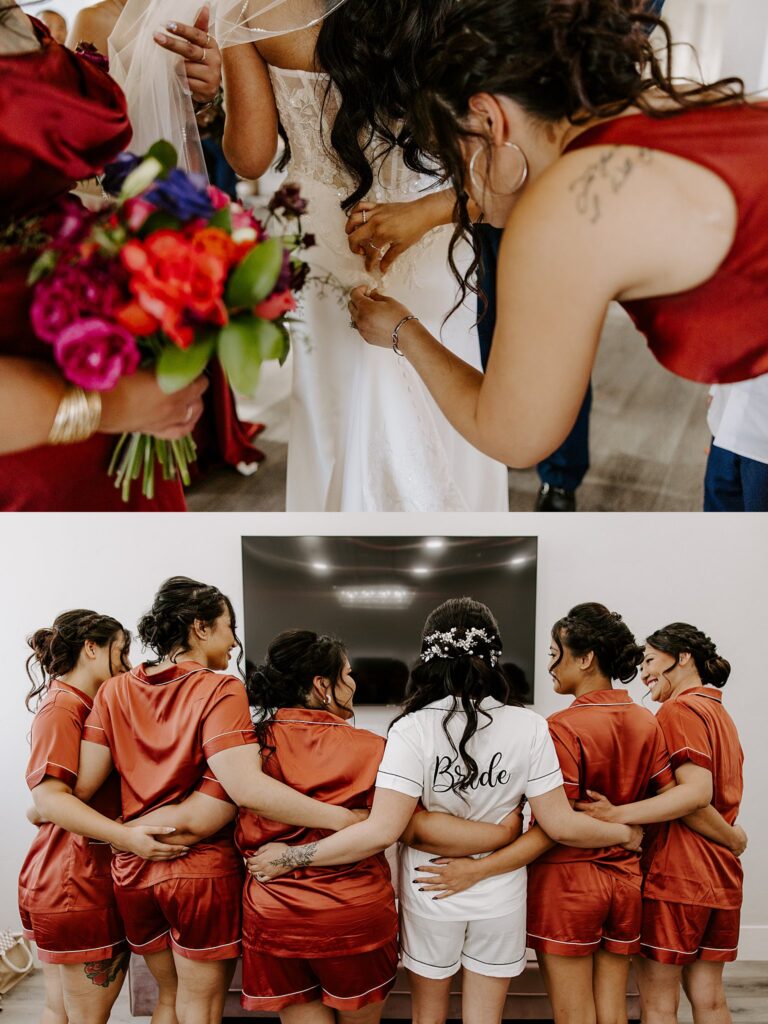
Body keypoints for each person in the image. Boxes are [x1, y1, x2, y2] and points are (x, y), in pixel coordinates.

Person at [346, 0, 768, 481]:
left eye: (453, 150)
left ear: (489, 117)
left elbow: (515, 436)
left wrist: (403, 330)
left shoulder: (565, 209)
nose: (462, 177)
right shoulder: (663, 102)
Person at [250, 599, 643, 1024]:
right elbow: (559, 824)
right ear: (493, 654)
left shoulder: (410, 728)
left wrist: (289, 857)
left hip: (429, 889)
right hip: (501, 895)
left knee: (428, 1017)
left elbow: (390, 828)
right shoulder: (530, 726)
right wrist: (624, 832)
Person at [129, 627, 528, 1021]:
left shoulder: (245, 749)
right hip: (354, 918)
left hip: (276, 915)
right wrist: (503, 832)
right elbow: (415, 828)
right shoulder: (376, 749)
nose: (355, 683)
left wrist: (121, 831)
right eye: (349, 674)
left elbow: (203, 811)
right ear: (323, 685)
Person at [220, 0, 509, 511]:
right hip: (430, 229)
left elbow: (250, 157)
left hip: (325, 243)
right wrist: (428, 209)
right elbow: (501, 162)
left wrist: (223, 78)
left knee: (333, 414)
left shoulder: (249, 9)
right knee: (443, 392)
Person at [69, 578, 371, 1024]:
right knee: (199, 1006)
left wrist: (129, 831)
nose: (235, 641)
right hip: (198, 872)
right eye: (229, 627)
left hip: (133, 870)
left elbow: (83, 788)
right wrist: (342, 818)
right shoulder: (222, 688)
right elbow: (246, 789)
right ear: (200, 628)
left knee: (166, 1000)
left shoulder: (114, 691)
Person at [0, 4, 206, 510]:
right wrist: (102, 408)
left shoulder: (15, 19)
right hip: (29, 427)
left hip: (95, 349)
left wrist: (180, 88)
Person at [18, 611, 184, 1024]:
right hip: (76, 882)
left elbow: (47, 802)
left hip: (64, 875)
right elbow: (52, 799)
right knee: (84, 1016)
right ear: (91, 648)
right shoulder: (63, 707)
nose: (129, 665)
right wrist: (126, 837)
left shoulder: (82, 704)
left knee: (62, 1010)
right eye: (122, 652)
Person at [576, 623, 746, 1024]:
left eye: (651, 659)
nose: (644, 671)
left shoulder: (678, 709)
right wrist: (733, 839)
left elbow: (693, 795)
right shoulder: (719, 712)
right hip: (721, 878)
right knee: (711, 1000)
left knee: (658, 1004)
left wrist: (617, 814)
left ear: (682, 656)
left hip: (678, 877)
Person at [704, 374, 768, 511]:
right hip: (725, 420)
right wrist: (715, 386)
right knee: (717, 507)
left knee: (758, 523)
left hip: (762, 447)